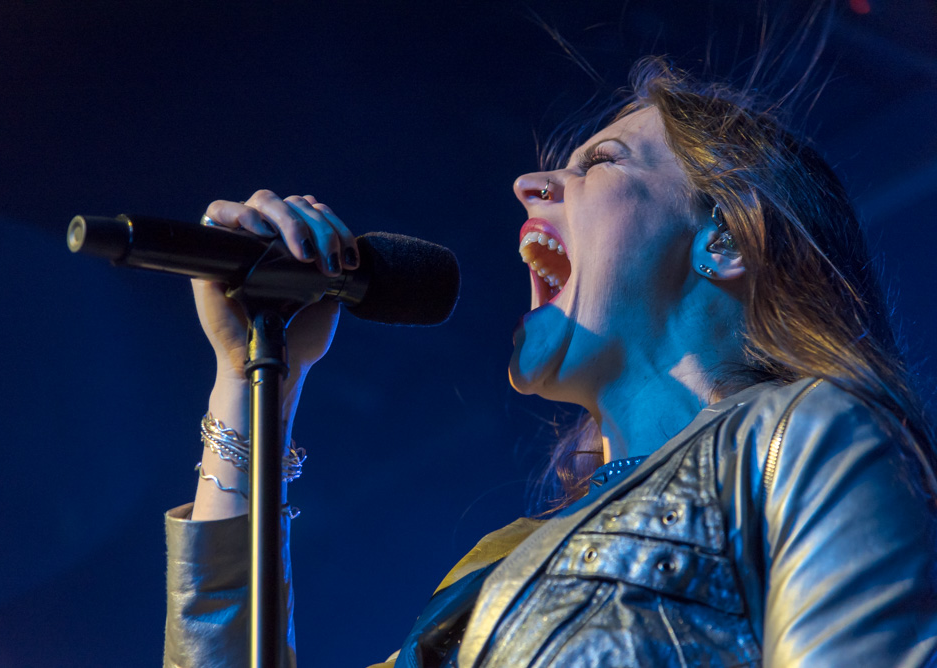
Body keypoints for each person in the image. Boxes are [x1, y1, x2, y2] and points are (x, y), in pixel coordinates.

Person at [163, 57, 937, 667]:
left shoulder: (804, 440)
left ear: (725, 239)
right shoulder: (493, 567)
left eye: (600, 161)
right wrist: (250, 378)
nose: (528, 185)